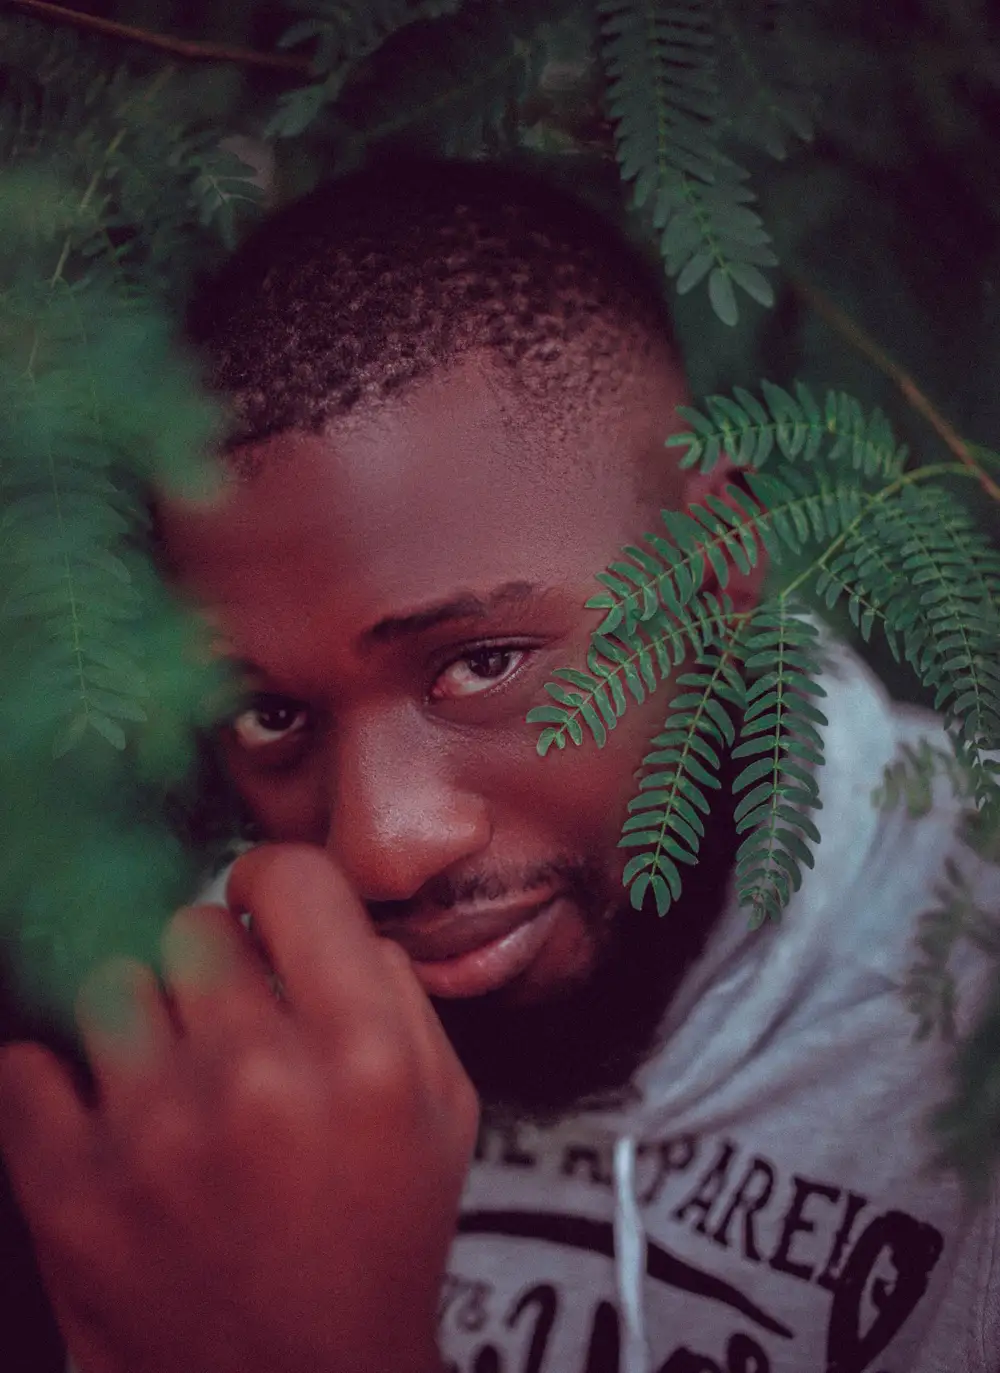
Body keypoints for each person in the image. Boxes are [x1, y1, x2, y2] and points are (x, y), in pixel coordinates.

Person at [0, 156, 998, 1373]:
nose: (379, 845)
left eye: (481, 664)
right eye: (268, 713)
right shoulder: (209, 1053)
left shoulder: (976, 972)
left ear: (719, 554)